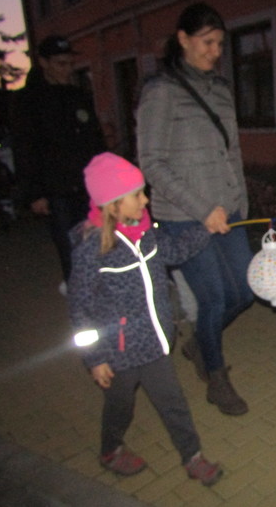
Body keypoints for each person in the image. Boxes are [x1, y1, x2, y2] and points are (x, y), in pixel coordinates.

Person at [68, 152, 223, 486]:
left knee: (173, 403)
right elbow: (80, 309)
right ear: (113, 205)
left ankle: (193, 457)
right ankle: (110, 450)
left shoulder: (146, 232)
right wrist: (95, 358)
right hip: (118, 353)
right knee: (120, 406)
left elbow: (175, 251)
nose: (145, 199)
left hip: (153, 345)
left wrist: (205, 230)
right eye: (137, 194)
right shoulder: (91, 250)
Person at [137, 2, 254, 416]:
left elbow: (232, 152)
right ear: (183, 39)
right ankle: (216, 378)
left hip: (229, 209)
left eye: (220, 43)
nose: (215, 52)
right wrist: (203, 209)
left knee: (245, 291)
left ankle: (200, 343)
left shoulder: (220, 89)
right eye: (207, 42)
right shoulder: (160, 91)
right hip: (184, 216)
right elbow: (152, 163)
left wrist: (240, 201)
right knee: (214, 298)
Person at [11, 35, 106, 293]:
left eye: (70, 63)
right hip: (56, 190)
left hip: (87, 186)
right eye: (60, 64)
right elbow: (25, 148)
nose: (67, 69)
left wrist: (107, 179)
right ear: (44, 63)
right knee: (69, 247)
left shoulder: (78, 95)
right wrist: (35, 193)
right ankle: (80, 297)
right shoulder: (28, 100)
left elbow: (96, 140)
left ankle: (99, 293)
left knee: (97, 242)